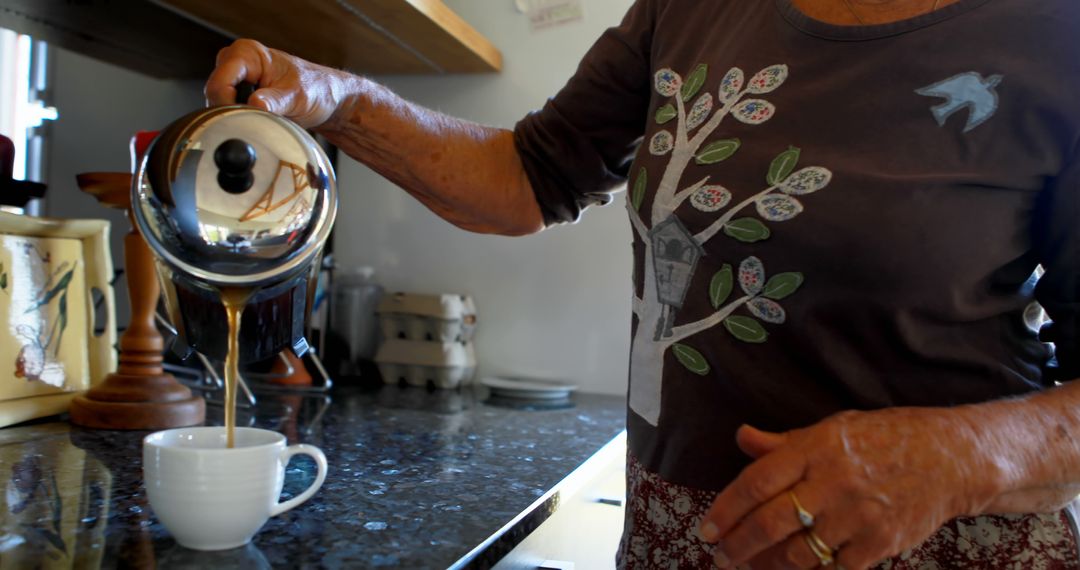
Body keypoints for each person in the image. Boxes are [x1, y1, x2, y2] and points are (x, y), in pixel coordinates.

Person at [206, 0, 1080, 568]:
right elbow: (531, 174)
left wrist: (954, 458)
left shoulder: (1053, 29)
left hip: (942, 546)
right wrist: (340, 100)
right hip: (681, 543)